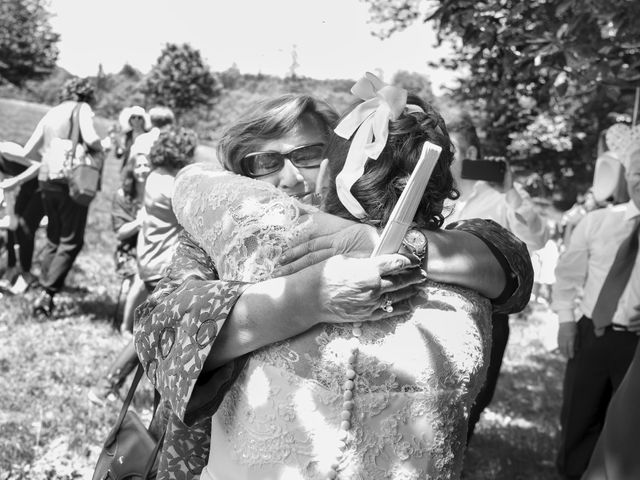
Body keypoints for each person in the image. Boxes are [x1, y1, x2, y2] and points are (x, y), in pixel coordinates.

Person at [134, 86, 533, 479]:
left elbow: (511, 264)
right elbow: (161, 333)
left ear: (340, 159)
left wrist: (380, 241)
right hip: (204, 455)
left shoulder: (415, 232)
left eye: (306, 156)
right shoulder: (216, 239)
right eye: (263, 163)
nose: (289, 178)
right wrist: (310, 299)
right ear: (240, 173)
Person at [440, 108, 549, 442]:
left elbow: (538, 236)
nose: (441, 157)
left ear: (471, 154)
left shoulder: (503, 197)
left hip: (487, 315)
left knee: (475, 396)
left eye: (449, 150)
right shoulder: (437, 196)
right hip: (437, 309)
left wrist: (512, 191)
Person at [552, 145, 640, 479]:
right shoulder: (599, 221)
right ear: (626, 176)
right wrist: (566, 322)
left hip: (636, 347)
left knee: (628, 434)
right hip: (592, 334)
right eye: (637, 172)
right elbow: (569, 274)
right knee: (577, 418)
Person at [92, 126, 195, 406]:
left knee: (159, 331)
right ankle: (106, 386)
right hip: (165, 267)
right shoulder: (174, 185)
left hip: (149, 261)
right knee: (151, 331)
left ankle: (156, 394)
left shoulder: (154, 177)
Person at [14, 78, 105, 317]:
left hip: (46, 178)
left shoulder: (52, 111)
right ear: (86, 94)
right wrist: (101, 148)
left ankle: (44, 286)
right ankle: (48, 293)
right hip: (70, 180)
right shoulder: (81, 108)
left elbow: (27, 151)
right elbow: (92, 139)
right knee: (71, 240)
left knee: (54, 235)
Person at [0, 141, 45, 291]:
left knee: (24, 229)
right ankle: (11, 268)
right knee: (11, 225)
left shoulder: (7, 152)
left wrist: (17, 180)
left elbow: (40, 165)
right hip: (27, 187)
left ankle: (26, 274)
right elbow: (4, 184)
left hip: (43, 187)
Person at [114, 105, 151, 170]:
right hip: (128, 169)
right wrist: (120, 147)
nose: (136, 120)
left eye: (139, 117)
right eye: (133, 117)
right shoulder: (126, 135)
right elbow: (119, 155)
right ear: (130, 120)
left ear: (143, 120)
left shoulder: (149, 135)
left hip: (144, 169)